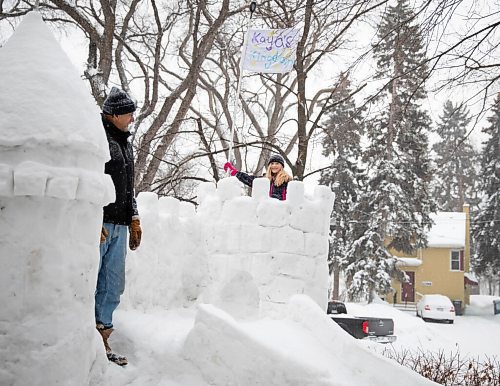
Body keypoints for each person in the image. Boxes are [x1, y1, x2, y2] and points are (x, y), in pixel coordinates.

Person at [96, 87, 142, 366]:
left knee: (113, 283)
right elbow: (91, 179)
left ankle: (103, 334)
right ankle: (86, 338)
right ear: (113, 115)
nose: (133, 119)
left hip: (120, 224)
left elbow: (129, 188)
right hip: (100, 223)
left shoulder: (125, 142)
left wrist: (134, 217)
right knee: (90, 279)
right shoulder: (98, 138)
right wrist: (92, 217)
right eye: (129, 114)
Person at [223, 154, 292, 200]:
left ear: (282, 166)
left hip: (281, 211)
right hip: (266, 211)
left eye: (277, 163)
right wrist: (235, 172)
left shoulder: (287, 180)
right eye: (272, 163)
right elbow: (250, 179)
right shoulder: (265, 180)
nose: (274, 165)